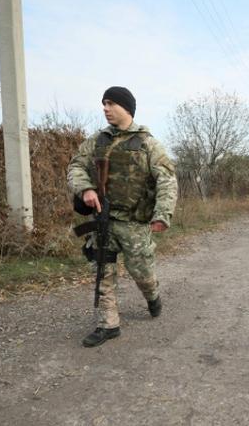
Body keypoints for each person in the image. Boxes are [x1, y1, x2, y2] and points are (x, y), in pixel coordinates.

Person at [68, 86, 178, 347]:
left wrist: (162, 214)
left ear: (126, 107)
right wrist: (85, 189)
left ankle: (152, 295)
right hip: (103, 218)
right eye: (103, 104)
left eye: (110, 103)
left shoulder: (147, 143)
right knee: (102, 272)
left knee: (141, 271)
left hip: (134, 224)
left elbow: (167, 180)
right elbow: (76, 166)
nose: (105, 109)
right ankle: (108, 325)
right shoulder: (97, 140)